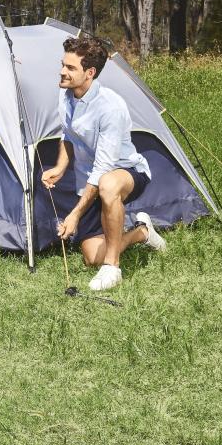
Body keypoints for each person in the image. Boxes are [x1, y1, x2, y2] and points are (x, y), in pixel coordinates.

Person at [41, 37, 166, 291]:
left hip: (126, 173)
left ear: (90, 73)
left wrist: (74, 215)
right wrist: (60, 167)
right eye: (63, 64)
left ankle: (113, 268)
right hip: (90, 180)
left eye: (70, 68)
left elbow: (102, 170)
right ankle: (142, 233)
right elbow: (67, 134)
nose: (63, 71)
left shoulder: (110, 107)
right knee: (91, 257)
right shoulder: (65, 95)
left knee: (108, 184)